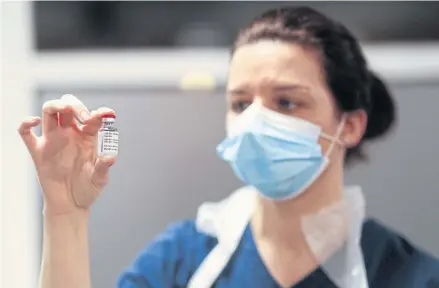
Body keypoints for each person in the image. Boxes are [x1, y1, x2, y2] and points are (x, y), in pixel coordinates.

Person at [19, 6, 439, 288]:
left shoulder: (407, 274)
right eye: (240, 103)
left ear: (350, 125)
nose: (255, 120)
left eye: (286, 102)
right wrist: (65, 217)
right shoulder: (183, 259)